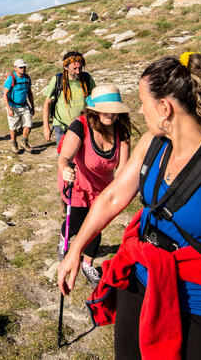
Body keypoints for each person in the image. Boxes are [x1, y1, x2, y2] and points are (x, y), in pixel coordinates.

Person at [58, 52, 201, 359]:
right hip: (141, 285)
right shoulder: (152, 144)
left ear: (165, 108)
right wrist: (75, 250)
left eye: (143, 102)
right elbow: (114, 196)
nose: (140, 110)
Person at [56, 84, 132, 287]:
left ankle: (87, 264)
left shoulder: (121, 133)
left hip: (102, 188)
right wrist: (65, 168)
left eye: (114, 108)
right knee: (78, 222)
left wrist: (120, 191)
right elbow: (65, 156)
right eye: (105, 108)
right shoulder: (80, 125)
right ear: (94, 109)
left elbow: (123, 170)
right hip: (77, 182)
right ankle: (64, 235)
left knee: (96, 225)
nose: (110, 113)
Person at [43, 51, 95, 147]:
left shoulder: (87, 78)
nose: (78, 71)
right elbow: (47, 103)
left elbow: (95, 99)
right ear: (65, 67)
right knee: (64, 158)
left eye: (80, 68)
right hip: (62, 126)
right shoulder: (58, 80)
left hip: (83, 125)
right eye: (74, 68)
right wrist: (46, 127)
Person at [3, 58, 35, 153]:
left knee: (28, 124)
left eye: (24, 67)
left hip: (24, 105)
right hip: (13, 106)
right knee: (13, 127)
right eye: (21, 67)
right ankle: (14, 143)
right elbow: (4, 94)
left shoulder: (27, 78)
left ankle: (24, 141)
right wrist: (9, 108)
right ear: (15, 68)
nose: (23, 69)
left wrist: (32, 106)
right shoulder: (11, 78)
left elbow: (30, 93)